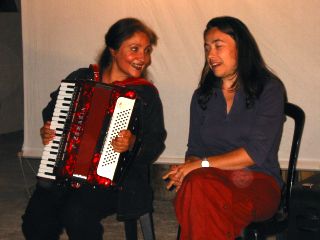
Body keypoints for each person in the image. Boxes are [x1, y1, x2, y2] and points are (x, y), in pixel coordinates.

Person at [22, 17, 166, 240]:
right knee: (36, 219)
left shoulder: (145, 94)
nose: (143, 59)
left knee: (77, 215)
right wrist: (49, 128)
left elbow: (155, 143)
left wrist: (132, 144)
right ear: (113, 50)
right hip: (65, 173)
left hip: (116, 183)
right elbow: (52, 111)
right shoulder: (81, 78)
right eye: (135, 49)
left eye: (146, 51)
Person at [163, 16, 286, 240]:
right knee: (199, 190)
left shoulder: (269, 89)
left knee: (198, 196)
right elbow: (195, 148)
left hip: (258, 182)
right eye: (207, 48)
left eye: (219, 46)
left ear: (241, 47)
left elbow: (254, 153)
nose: (211, 55)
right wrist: (187, 167)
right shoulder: (202, 96)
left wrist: (200, 165)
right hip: (210, 180)